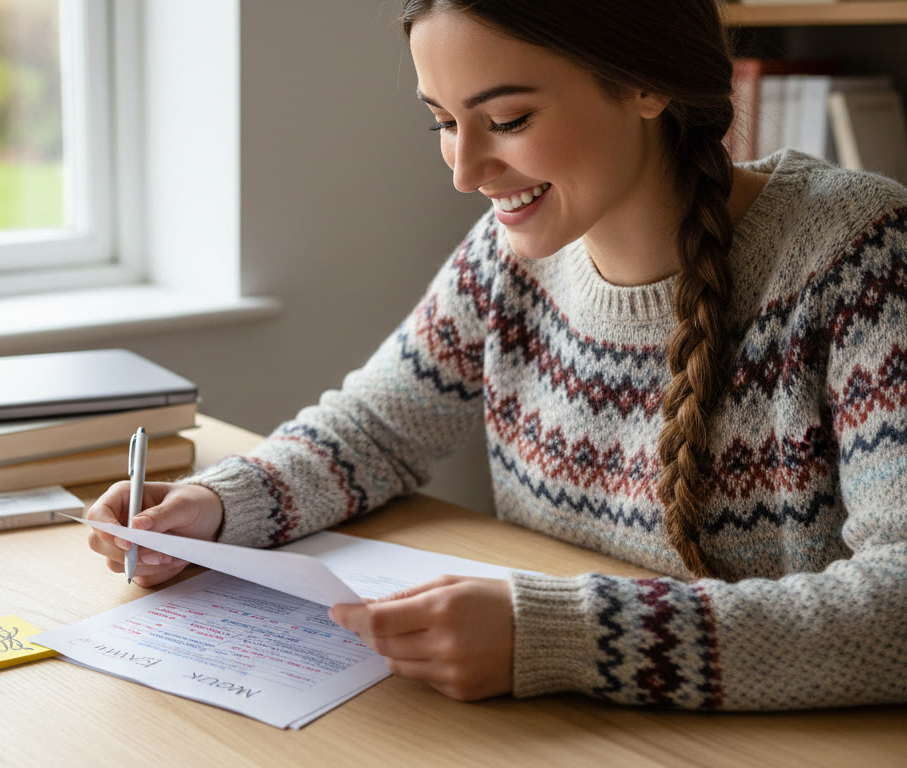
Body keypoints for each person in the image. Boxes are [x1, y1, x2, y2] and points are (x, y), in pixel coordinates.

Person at [84, 0, 907, 710]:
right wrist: (218, 511)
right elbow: (375, 429)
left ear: (646, 83)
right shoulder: (509, 256)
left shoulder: (859, 255)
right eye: (444, 122)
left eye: (507, 120)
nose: (465, 171)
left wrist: (562, 638)